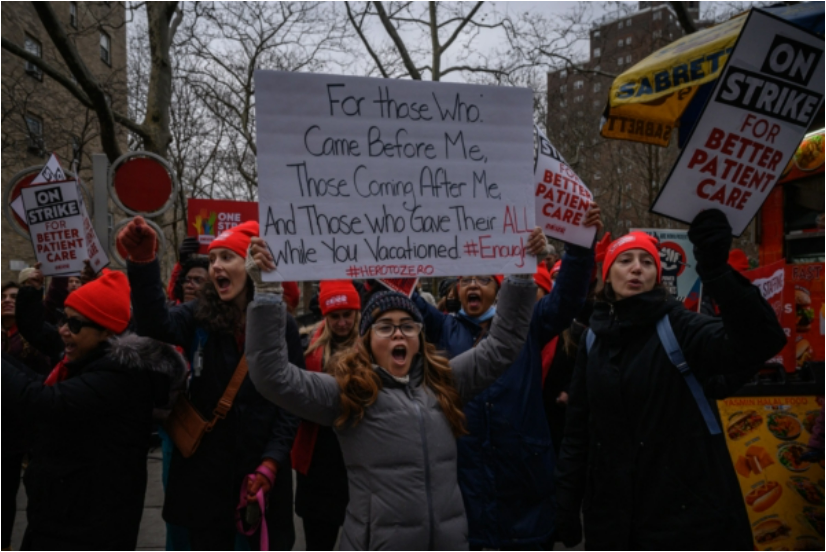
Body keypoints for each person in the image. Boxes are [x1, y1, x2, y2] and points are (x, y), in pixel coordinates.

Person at [245, 235, 540, 550]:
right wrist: (266, 294)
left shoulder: (444, 382)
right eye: (385, 327)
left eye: (408, 325)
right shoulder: (348, 393)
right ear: (368, 341)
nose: (398, 331)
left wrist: (520, 277)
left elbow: (502, 346)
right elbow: (273, 376)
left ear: (418, 338)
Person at [554, 210, 787, 550]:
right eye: (626, 260)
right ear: (607, 277)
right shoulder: (592, 342)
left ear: (656, 277)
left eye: (647, 262)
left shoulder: (677, 326)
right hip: (612, 525)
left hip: (685, 521)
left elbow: (759, 340)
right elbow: (577, 436)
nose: (637, 267)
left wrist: (717, 271)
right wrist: (564, 516)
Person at [411, 211, 601, 549]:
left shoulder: (527, 326)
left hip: (523, 480)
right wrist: (377, 251)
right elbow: (400, 296)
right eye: (466, 279)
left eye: (483, 279)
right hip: (464, 477)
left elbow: (568, 298)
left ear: (499, 289)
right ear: (457, 289)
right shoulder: (442, 328)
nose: (473, 285)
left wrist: (579, 246)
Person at [120, 217, 305, 551]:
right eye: (213, 259)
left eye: (227, 257)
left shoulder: (282, 325)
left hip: (260, 472)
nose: (216, 265)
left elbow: (291, 403)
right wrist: (143, 262)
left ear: (250, 264)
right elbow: (154, 324)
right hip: (205, 479)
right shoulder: (198, 313)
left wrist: (272, 461)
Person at [2, 270, 184, 550]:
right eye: (63, 318)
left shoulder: (119, 375)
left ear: (106, 331)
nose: (62, 330)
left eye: (74, 324)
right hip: (66, 511)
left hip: (88, 524)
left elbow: (42, 400)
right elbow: (41, 382)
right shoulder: (92, 358)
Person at [292, 280, 361, 550]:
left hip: (357, 460)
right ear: (325, 315)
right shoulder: (306, 348)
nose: (342, 323)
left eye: (347, 315)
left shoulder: (373, 347)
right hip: (318, 461)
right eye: (335, 316)